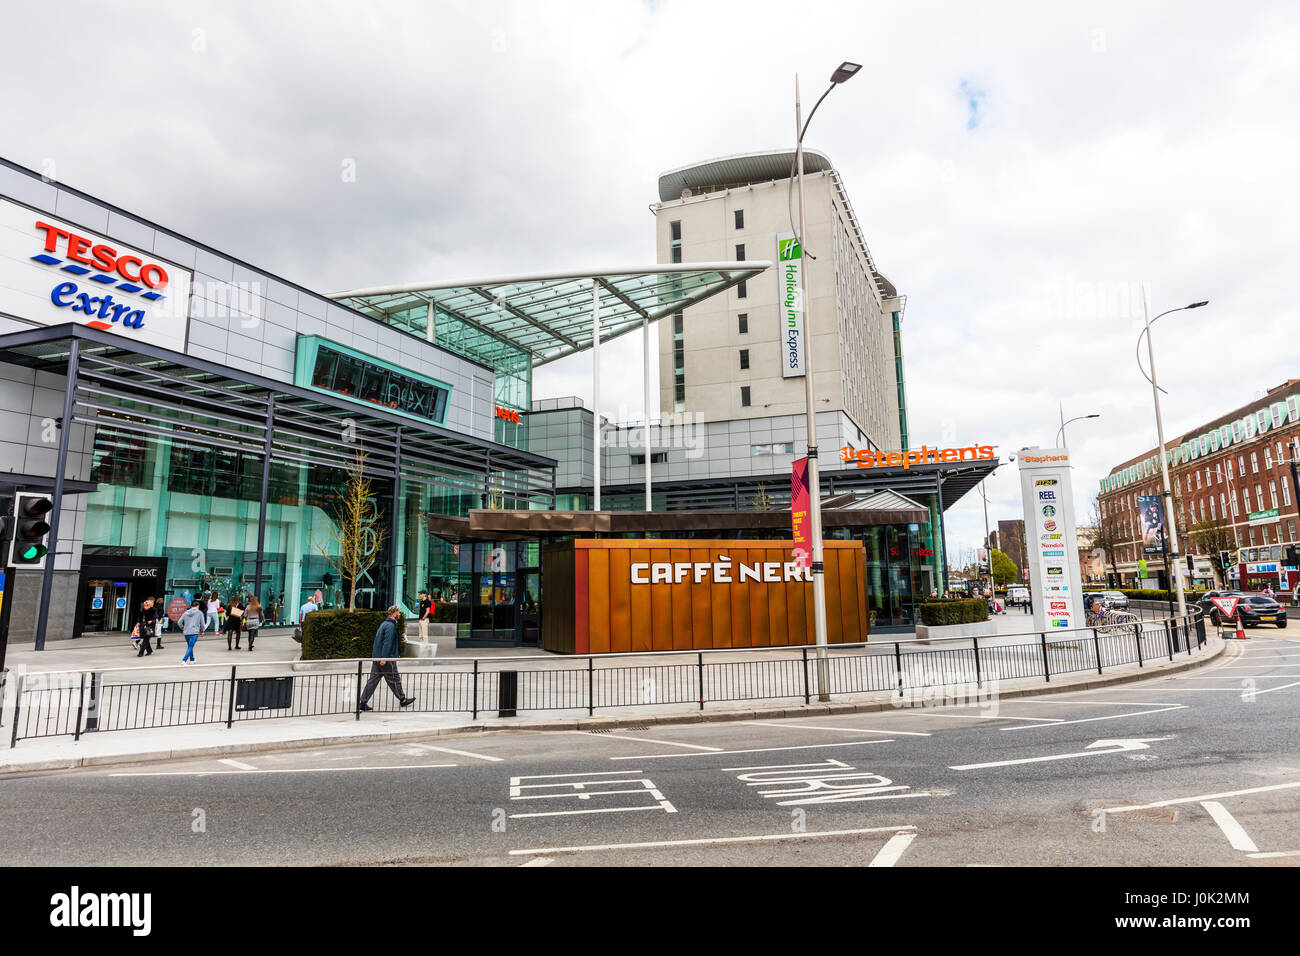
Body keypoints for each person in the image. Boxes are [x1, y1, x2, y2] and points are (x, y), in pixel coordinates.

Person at [358, 606, 416, 711]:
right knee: (394, 679)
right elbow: (387, 643)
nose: (399, 614)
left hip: (377, 658)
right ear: (394, 613)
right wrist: (384, 658)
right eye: (398, 612)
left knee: (373, 680)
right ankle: (402, 699)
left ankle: (362, 702)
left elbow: (378, 642)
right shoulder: (390, 626)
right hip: (386, 659)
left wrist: (378, 657)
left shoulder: (384, 624)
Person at [179, 599, 206, 664]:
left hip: (186, 632)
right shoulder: (200, 613)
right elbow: (202, 624)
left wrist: (183, 628)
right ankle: (184, 660)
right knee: (191, 646)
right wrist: (202, 631)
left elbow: (179, 622)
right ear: (197, 606)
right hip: (194, 632)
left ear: (191, 606)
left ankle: (192, 659)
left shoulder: (185, 613)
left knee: (190, 646)